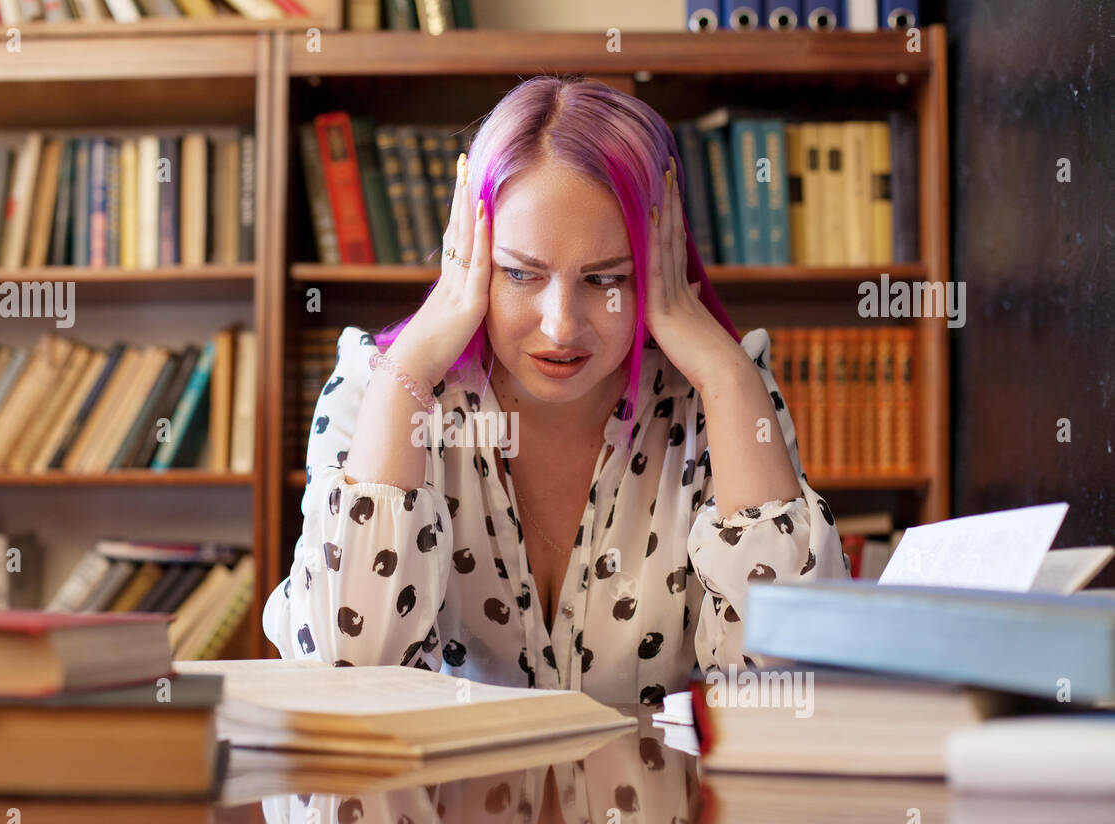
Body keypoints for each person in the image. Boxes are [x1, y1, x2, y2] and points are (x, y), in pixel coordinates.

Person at [263, 75, 850, 704]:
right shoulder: (375, 390)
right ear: (469, 251)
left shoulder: (722, 400)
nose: (561, 325)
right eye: (521, 273)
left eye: (605, 278)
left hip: (669, 803)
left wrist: (726, 374)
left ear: (662, 261)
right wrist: (405, 378)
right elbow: (345, 676)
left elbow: (787, 690)